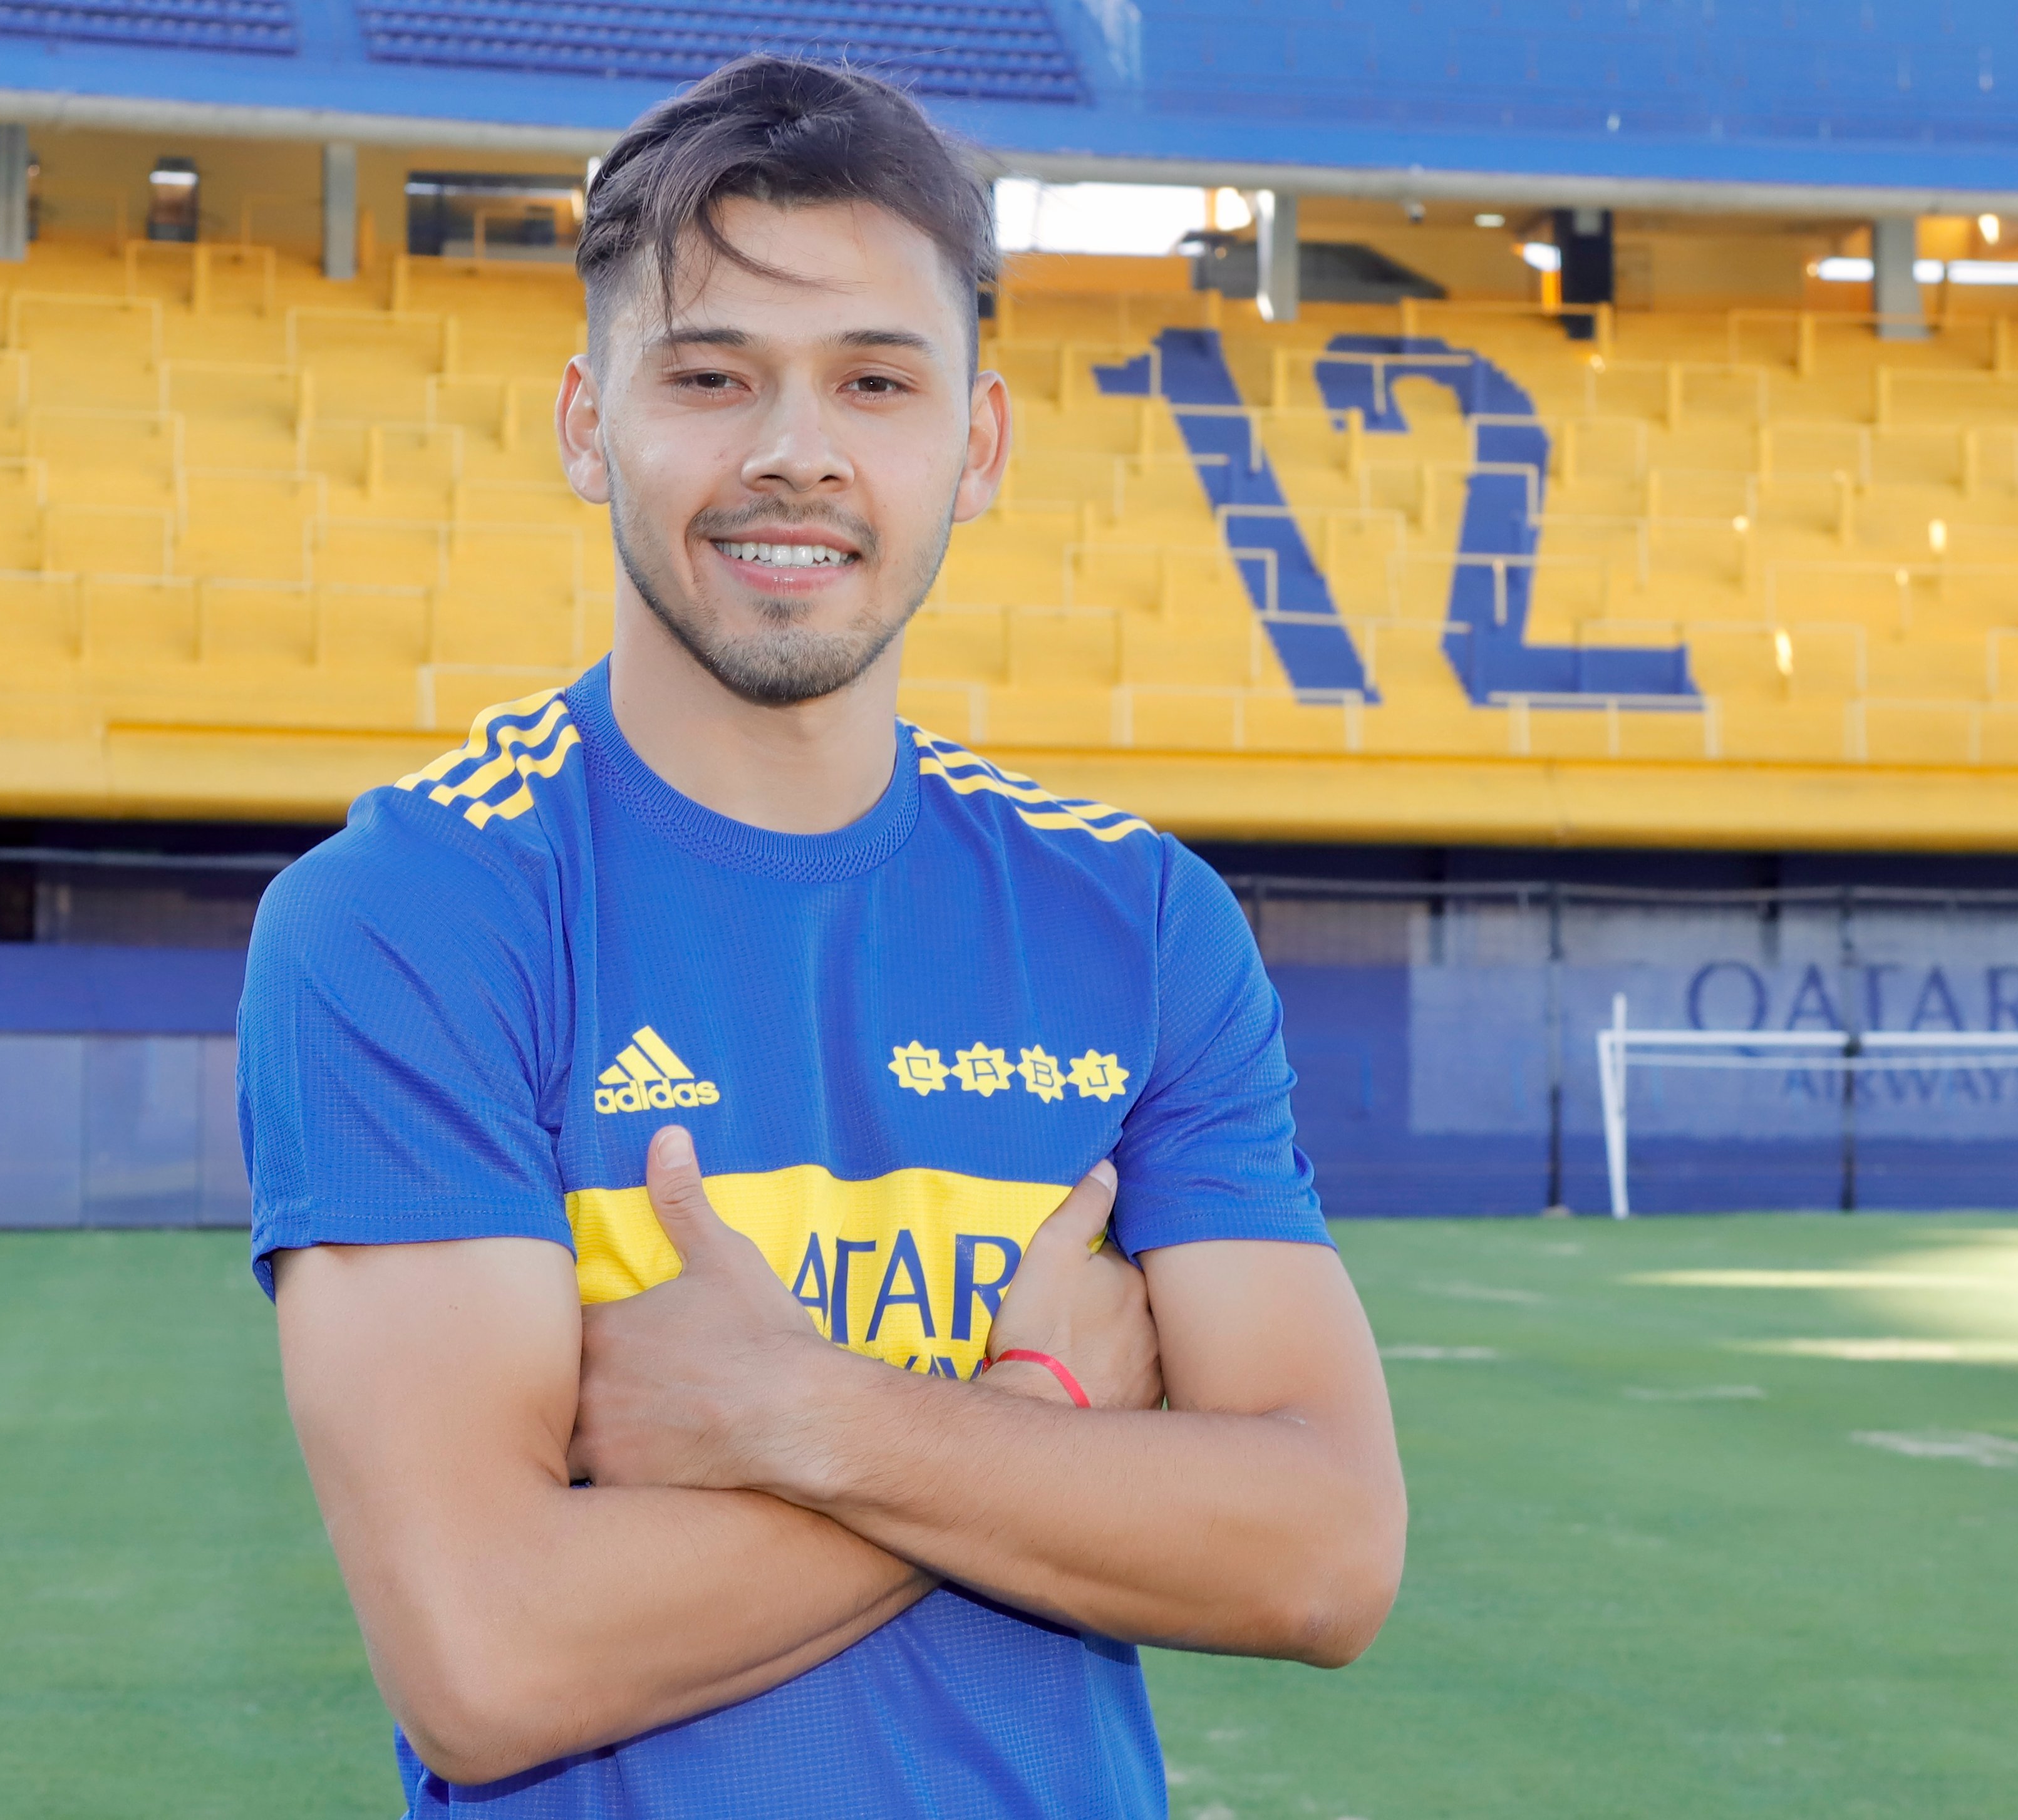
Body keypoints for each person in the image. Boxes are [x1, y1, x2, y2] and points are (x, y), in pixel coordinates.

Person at [238, 53, 1407, 1819]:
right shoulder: (414, 916)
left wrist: (809, 1416)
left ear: (977, 440)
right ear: (585, 422)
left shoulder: (1137, 919)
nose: (795, 451)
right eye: (710, 376)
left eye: (875, 379)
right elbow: (490, 1657)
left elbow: (1322, 1552)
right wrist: (1044, 1409)